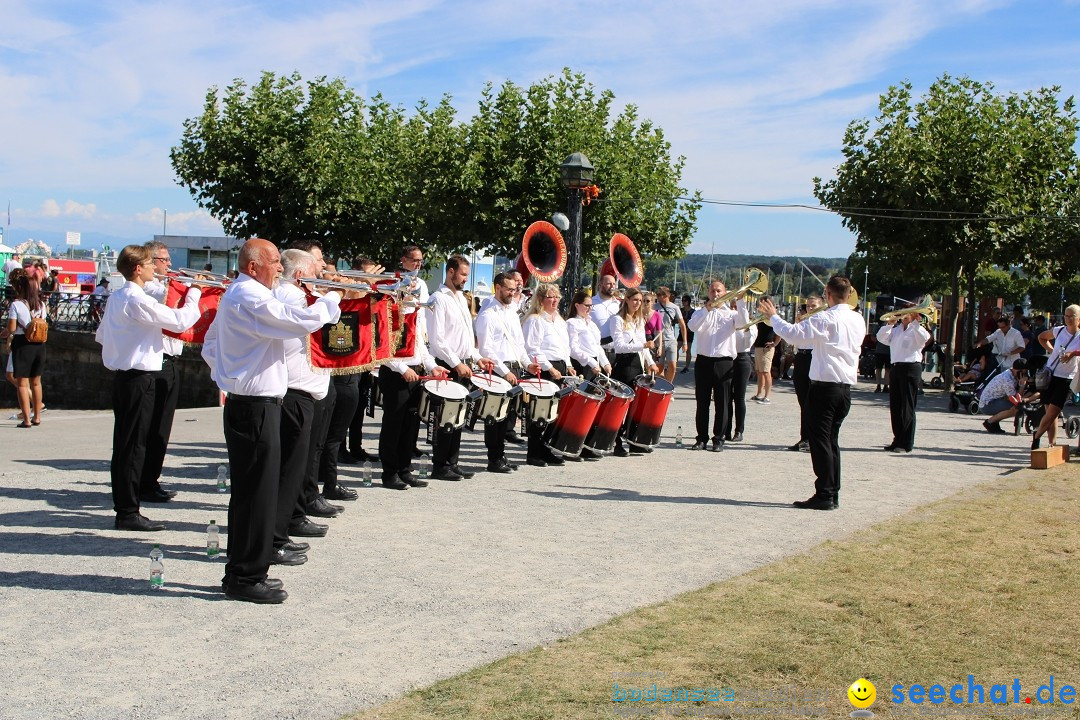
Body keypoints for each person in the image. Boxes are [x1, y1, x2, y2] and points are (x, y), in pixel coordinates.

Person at [202, 238, 341, 604]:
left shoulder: (244, 294)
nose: (281, 269)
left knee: (255, 494)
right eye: (275, 262)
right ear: (253, 267)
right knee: (255, 495)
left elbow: (212, 345)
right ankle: (245, 577)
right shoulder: (249, 296)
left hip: (254, 403)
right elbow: (297, 322)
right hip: (254, 406)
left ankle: (248, 570)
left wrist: (230, 374)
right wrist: (331, 299)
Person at [96, 245, 205, 531]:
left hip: (126, 376)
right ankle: (128, 511)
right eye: (147, 263)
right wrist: (194, 291)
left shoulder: (118, 297)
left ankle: (127, 506)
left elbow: (102, 336)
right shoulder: (135, 298)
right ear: (137, 268)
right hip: (137, 377)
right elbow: (180, 320)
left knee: (127, 444)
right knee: (132, 446)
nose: (151, 268)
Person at [759, 275, 865, 510]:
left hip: (825, 387)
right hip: (844, 389)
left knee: (820, 442)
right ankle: (832, 491)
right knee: (831, 442)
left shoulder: (824, 318)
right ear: (849, 294)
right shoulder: (858, 319)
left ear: (827, 293)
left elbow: (794, 334)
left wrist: (773, 317)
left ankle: (825, 494)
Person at [268, 248, 333, 566]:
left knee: (293, 469)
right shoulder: (292, 298)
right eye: (314, 272)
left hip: (301, 391)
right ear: (299, 275)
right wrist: (333, 293)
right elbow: (323, 318)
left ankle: (286, 527)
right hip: (292, 391)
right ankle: (276, 537)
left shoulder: (297, 295)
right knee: (287, 471)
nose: (319, 276)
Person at [426, 255, 494, 480]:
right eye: (463, 274)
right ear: (451, 272)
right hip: (447, 364)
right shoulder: (438, 298)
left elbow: (465, 337)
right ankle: (440, 465)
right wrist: (456, 364)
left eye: (467, 275)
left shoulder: (461, 299)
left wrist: (476, 357)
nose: (466, 279)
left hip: (463, 363)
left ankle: (452, 462)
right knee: (444, 417)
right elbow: (438, 340)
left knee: (458, 417)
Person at [138, 240, 188, 503]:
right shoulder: (148, 290)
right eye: (163, 260)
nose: (169, 264)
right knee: (149, 426)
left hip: (171, 362)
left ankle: (151, 479)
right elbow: (166, 300)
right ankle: (142, 482)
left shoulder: (165, 286)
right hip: (155, 363)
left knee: (162, 427)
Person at [379, 302, 450, 487]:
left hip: (415, 374)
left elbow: (420, 346)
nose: (412, 293)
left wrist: (432, 366)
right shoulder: (387, 311)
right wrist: (402, 368)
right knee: (393, 426)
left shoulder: (415, 313)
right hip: (396, 374)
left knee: (410, 426)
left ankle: (404, 469)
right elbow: (382, 347)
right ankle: (389, 473)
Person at [475, 272, 539, 472]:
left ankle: (501, 455)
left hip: (513, 368)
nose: (513, 293)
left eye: (515, 289)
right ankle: (493, 459)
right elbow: (486, 350)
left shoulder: (512, 312)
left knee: (507, 416)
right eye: (509, 289)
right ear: (498, 288)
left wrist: (528, 364)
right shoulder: (487, 315)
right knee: (495, 417)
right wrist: (504, 371)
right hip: (497, 370)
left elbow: (519, 344)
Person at [522, 283, 576, 466]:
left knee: (554, 414)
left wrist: (568, 365)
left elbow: (564, 347)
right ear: (540, 300)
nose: (555, 300)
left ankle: (545, 450)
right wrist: (548, 367)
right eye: (550, 297)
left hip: (559, 367)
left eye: (557, 297)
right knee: (540, 413)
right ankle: (533, 453)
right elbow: (532, 348)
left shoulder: (559, 321)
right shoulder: (535, 320)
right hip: (544, 370)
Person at [687, 280, 739, 452]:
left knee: (723, 403)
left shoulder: (732, 314)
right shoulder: (700, 313)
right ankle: (701, 438)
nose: (715, 294)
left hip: (724, 361)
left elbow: (743, 325)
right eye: (712, 291)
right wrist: (707, 310)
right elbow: (692, 326)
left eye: (718, 291)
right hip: (703, 361)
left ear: (725, 293)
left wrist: (741, 301)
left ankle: (719, 438)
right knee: (702, 402)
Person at [876, 306, 932, 453]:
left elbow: (924, 339)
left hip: (911, 368)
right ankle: (897, 439)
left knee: (907, 406)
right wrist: (890, 324)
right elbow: (881, 338)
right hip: (896, 367)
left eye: (908, 313)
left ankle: (906, 442)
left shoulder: (918, 329)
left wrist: (915, 322)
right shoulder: (895, 330)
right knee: (895, 406)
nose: (904, 316)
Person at [611, 288, 660, 456]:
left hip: (637, 364)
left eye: (640, 300)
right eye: (635, 300)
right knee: (621, 405)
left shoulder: (638, 320)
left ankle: (634, 441)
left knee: (635, 407)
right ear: (627, 300)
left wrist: (651, 362)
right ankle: (616, 442)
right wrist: (643, 345)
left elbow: (643, 345)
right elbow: (619, 346)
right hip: (624, 364)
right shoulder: (617, 320)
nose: (638, 303)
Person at [1030, 305, 1080, 450]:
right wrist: (1052, 351)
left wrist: (1072, 354)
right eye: (1066, 315)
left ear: (1079, 319)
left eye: (1072, 316)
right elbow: (1042, 337)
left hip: (1066, 378)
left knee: (1053, 412)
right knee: (1049, 414)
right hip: (1050, 374)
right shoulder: (1059, 330)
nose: (1068, 319)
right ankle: (1052, 444)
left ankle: (1037, 435)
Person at [5, 272, 47, 428]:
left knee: (22, 384)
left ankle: (27, 420)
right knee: (36, 382)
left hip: (23, 344)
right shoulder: (42, 305)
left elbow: (12, 328)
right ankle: (37, 417)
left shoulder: (16, 305)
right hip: (40, 345)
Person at [786, 294, 822, 452]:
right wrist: (798, 324)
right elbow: (793, 341)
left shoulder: (821, 322)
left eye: (814, 306)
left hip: (814, 357)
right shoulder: (803, 322)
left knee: (813, 402)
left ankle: (813, 439)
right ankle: (804, 437)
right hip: (801, 357)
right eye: (808, 306)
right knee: (803, 401)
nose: (810, 309)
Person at [725, 298, 756, 443]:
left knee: (739, 397)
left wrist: (747, 328)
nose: (734, 309)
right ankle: (726, 429)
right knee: (726, 397)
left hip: (742, 359)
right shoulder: (728, 322)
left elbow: (748, 343)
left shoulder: (751, 325)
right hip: (728, 358)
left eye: (737, 307)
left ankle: (739, 431)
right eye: (732, 306)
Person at [566, 289, 611, 381]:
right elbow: (573, 349)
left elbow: (597, 346)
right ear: (577, 305)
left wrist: (605, 363)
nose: (590, 308)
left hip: (594, 365)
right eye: (587, 306)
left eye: (591, 306)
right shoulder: (572, 323)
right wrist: (591, 362)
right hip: (581, 365)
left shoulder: (592, 324)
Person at [979, 359, 1034, 433]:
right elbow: (1016, 399)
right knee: (1016, 407)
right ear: (1020, 371)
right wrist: (1022, 385)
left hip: (996, 400)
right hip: (987, 405)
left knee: (1016, 405)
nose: (1026, 374)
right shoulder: (1007, 379)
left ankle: (995, 422)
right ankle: (990, 422)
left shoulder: (1011, 373)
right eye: (1025, 371)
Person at [654, 287, 686, 383]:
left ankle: (669, 386)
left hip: (671, 340)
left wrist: (685, 342)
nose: (658, 296)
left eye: (660, 294)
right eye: (658, 294)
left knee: (672, 366)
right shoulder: (654, 307)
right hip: (658, 341)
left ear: (667, 295)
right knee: (659, 368)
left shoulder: (674, 307)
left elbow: (682, 324)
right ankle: (662, 388)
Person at [590, 274, 621, 367]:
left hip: (615, 352)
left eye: (614, 284)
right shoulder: (591, 303)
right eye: (608, 284)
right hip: (597, 352)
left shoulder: (619, 305)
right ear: (600, 285)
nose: (612, 286)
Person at [751, 316, 777, 404]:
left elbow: (780, 333)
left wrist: (775, 343)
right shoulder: (761, 318)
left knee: (766, 372)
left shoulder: (773, 319)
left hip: (766, 348)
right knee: (759, 371)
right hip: (758, 347)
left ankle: (767, 396)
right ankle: (759, 394)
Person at [680, 294, 695, 373]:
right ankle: (674, 363)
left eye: (685, 300)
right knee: (676, 348)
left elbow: (694, 323)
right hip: (681, 332)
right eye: (682, 300)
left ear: (688, 302)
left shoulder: (693, 312)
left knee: (688, 350)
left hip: (689, 332)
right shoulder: (681, 310)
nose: (683, 302)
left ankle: (687, 367)